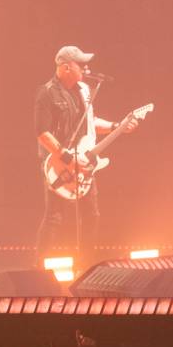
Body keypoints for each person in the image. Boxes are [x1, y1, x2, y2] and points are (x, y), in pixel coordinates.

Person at [34, 45, 136, 258]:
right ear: (65, 67)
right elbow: (42, 134)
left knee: (91, 215)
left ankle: (87, 265)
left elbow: (90, 123)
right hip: (58, 165)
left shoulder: (84, 91)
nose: (85, 67)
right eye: (80, 63)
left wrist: (116, 126)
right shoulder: (47, 93)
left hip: (83, 161)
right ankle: (40, 268)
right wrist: (66, 158)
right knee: (54, 217)